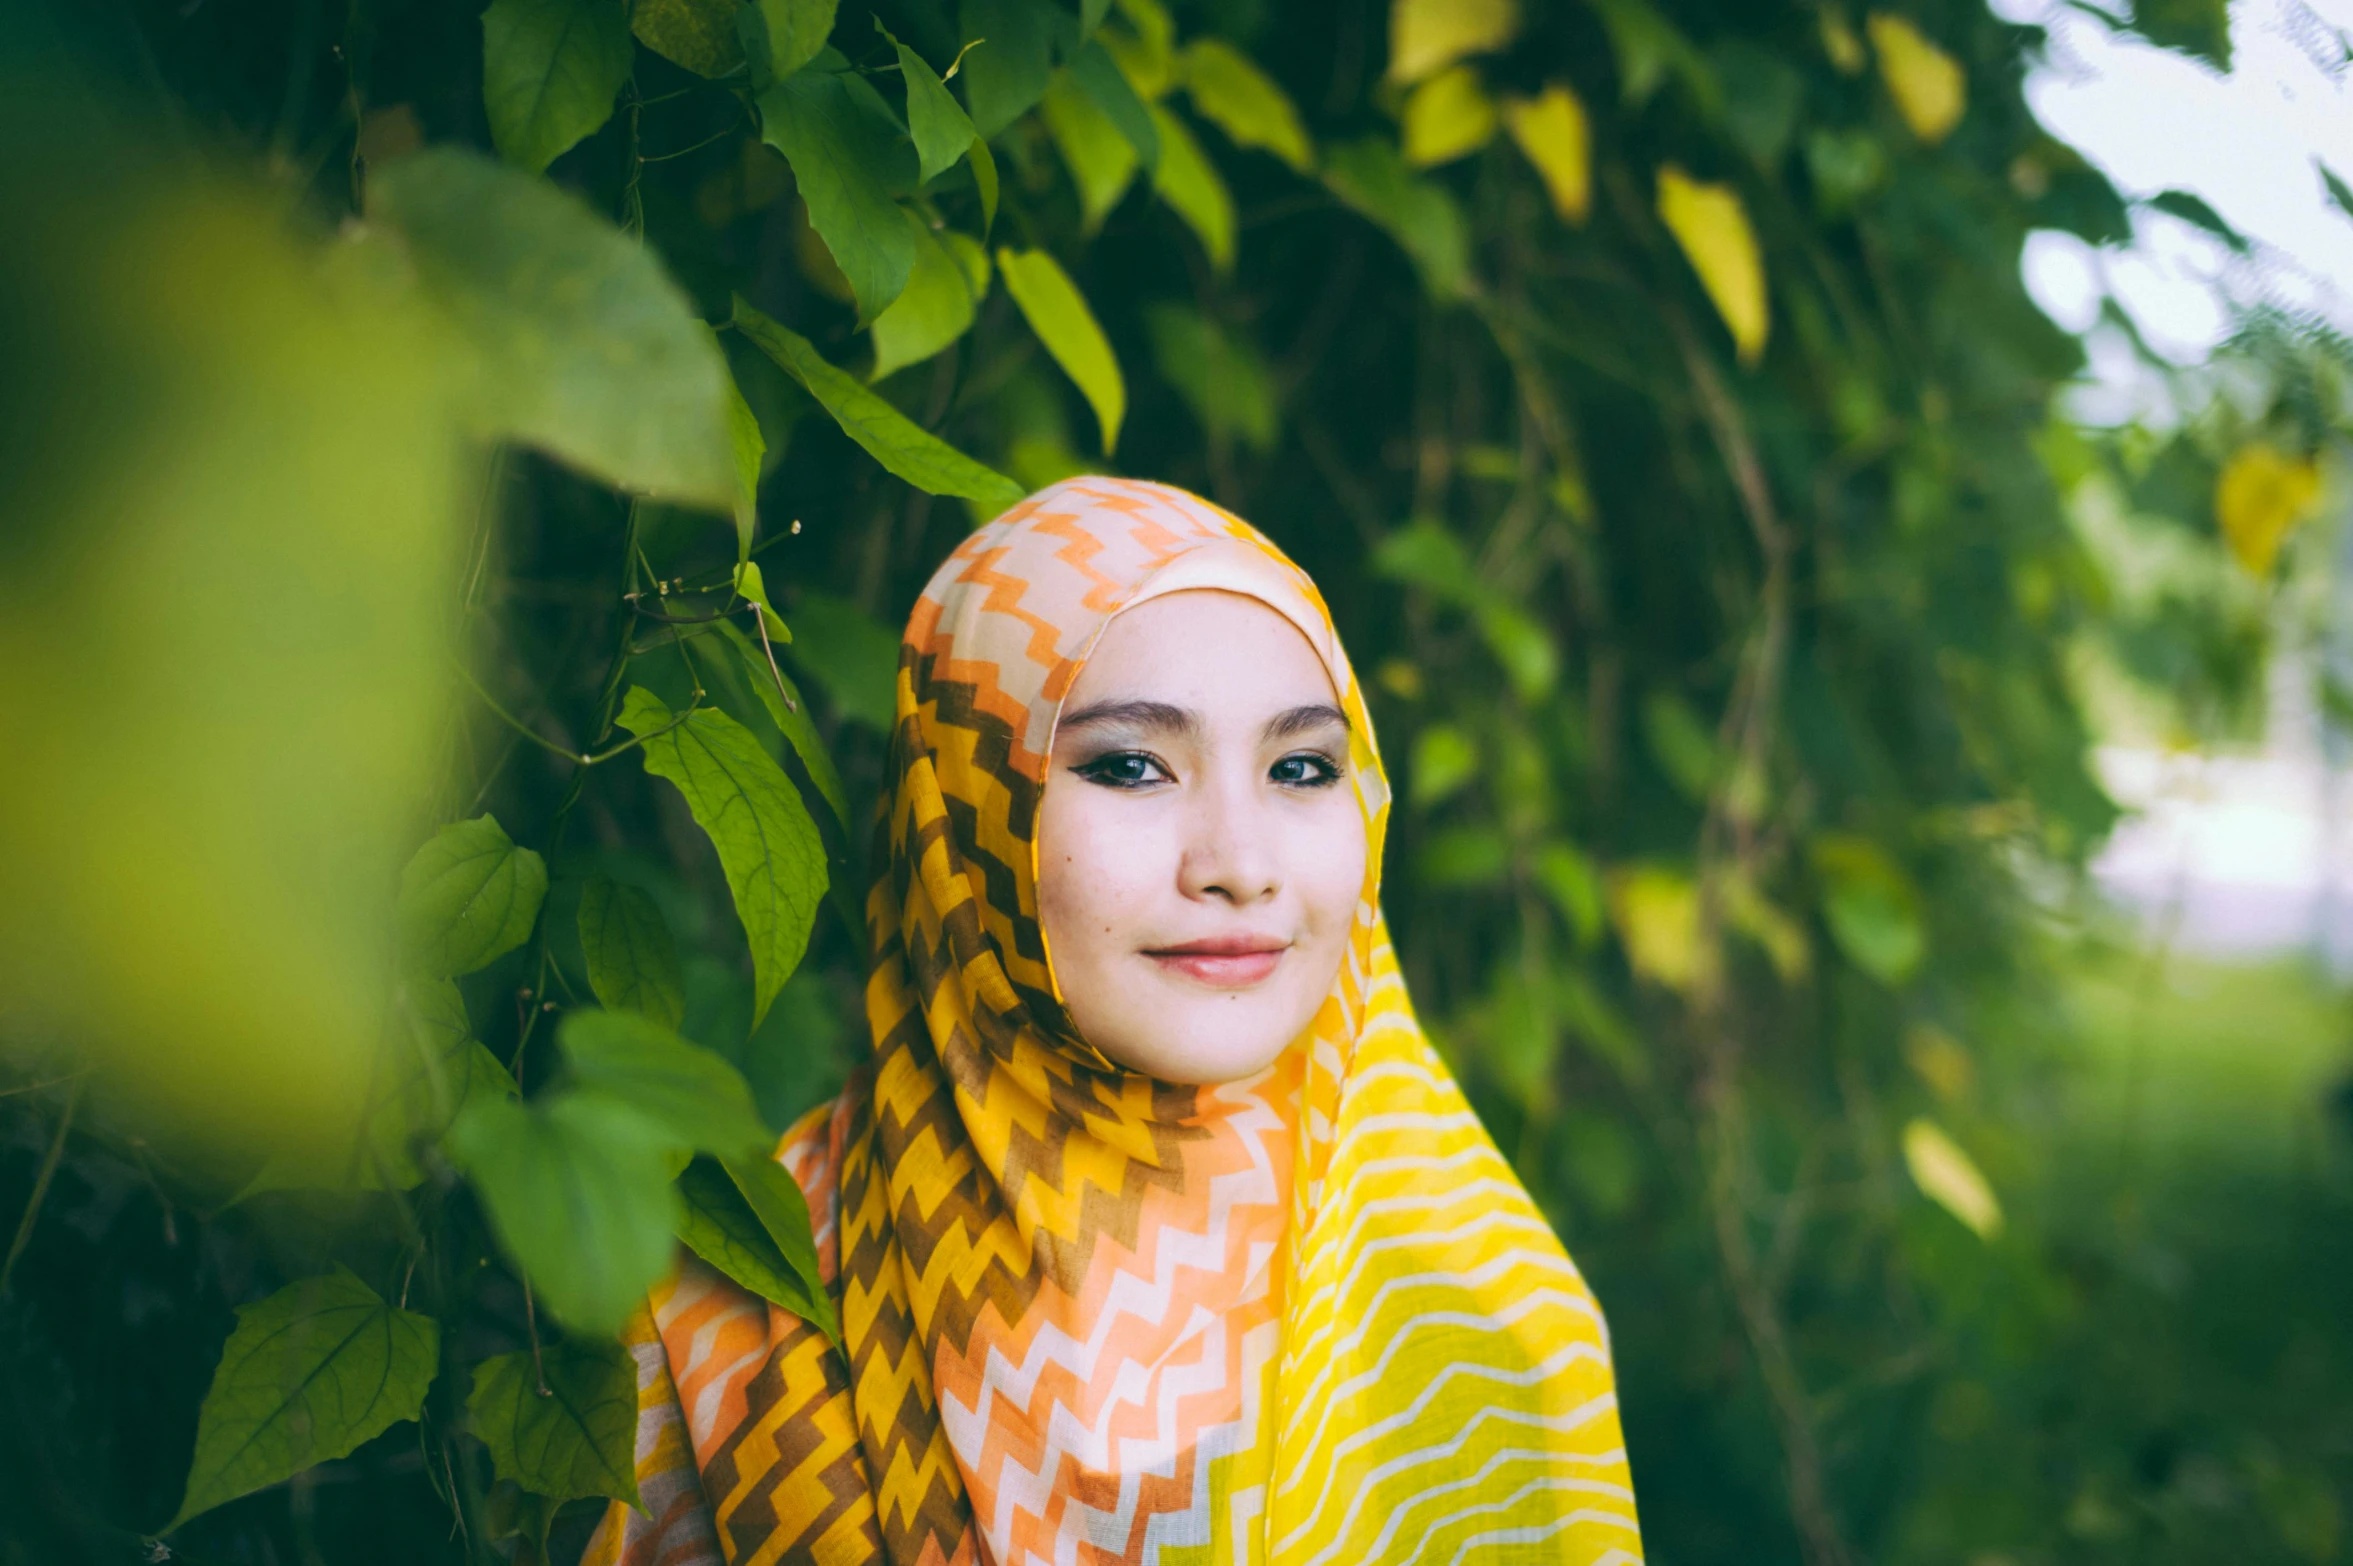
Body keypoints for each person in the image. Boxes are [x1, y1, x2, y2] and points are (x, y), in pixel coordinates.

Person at [585, 478, 1643, 1566]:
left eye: (1301, 767)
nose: (1237, 864)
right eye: (1131, 766)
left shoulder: (1489, 1319)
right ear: (963, 809)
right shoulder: (734, 1296)